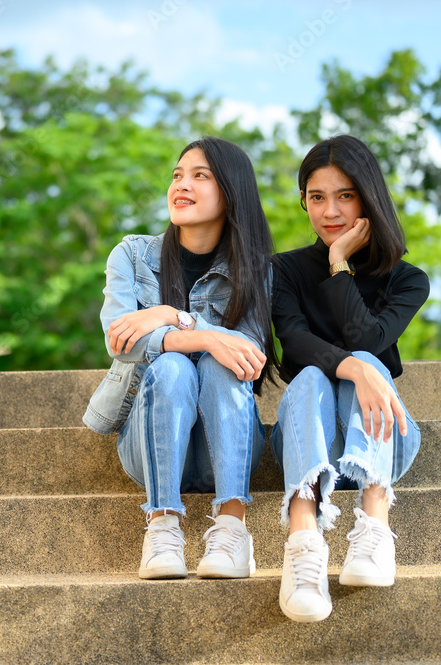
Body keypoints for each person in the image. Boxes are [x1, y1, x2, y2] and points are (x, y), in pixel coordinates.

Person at [83, 136, 277, 580]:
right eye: (177, 175)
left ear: (231, 194)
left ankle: (232, 527)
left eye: (199, 175)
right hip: (147, 446)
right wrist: (199, 331)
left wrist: (167, 320)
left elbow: (245, 355)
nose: (181, 185)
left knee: (222, 363)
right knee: (170, 367)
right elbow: (122, 341)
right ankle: (161, 527)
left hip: (224, 448)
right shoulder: (131, 256)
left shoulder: (257, 271)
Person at [269, 135, 430, 622]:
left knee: (367, 358)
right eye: (316, 197)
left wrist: (339, 261)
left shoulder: (407, 279)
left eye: (344, 195)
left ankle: (374, 524)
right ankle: (303, 540)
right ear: (303, 201)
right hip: (305, 437)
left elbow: (370, 338)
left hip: (382, 439)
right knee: (311, 379)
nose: (330, 210)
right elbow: (292, 342)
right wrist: (350, 365)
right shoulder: (282, 270)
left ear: (367, 197)